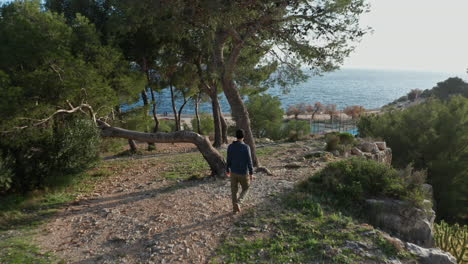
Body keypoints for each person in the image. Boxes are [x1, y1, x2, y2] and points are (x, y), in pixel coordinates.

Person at [226, 129, 254, 213]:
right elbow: (249, 160)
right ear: (243, 137)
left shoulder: (230, 146)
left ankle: (235, 209)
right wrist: (251, 173)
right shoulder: (246, 147)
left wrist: (227, 169)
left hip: (233, 172)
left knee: (234, 191)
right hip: (243, 173)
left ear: (236, 136)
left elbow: (228, 159)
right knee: (246, 188)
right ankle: (239, 202)